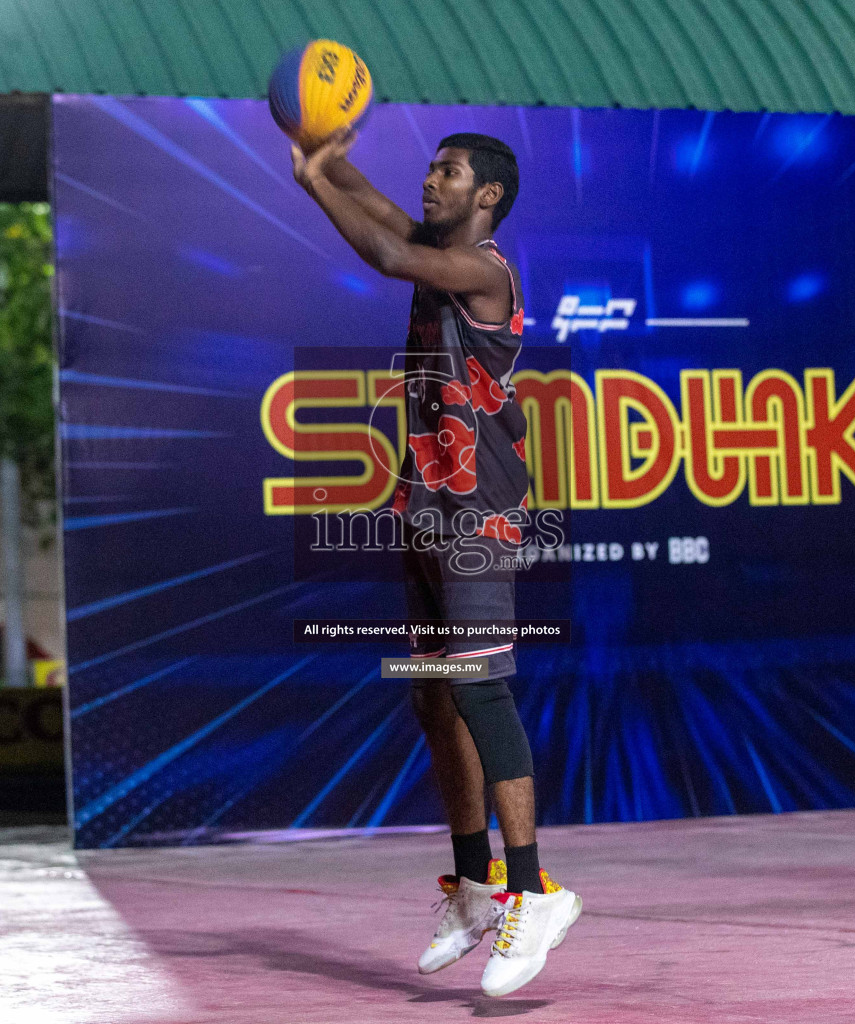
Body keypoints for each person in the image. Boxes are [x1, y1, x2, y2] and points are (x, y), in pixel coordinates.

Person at [291, 129, 580, 997]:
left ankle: (536, 890)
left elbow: (380, 248)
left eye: (447, 172)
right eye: (430, 167)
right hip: (422, 508)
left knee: (482, 687)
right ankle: (473, 886)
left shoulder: (486, 271)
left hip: (479, 514)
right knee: (434, 696)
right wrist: (324, 154)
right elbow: (383, 217)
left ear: (486, 196)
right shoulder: (431, 250)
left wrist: (313, 183)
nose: (429, 179)